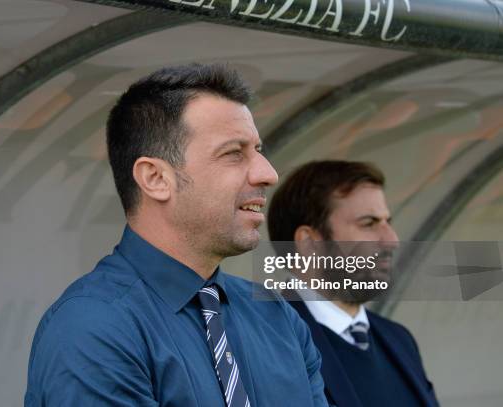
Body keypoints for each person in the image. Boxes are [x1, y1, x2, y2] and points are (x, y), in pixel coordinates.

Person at [24, 64, 327, 406]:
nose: (268, 173)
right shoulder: (93, 327)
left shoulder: (277, 316)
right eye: (233, 153)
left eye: (258, 151)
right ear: (155, 178)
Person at [268, 160, 439, 407]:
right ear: (309, 242)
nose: (391, 240)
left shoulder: (399, 340)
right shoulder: (266, 341)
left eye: (387, 222)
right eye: (368, 224)